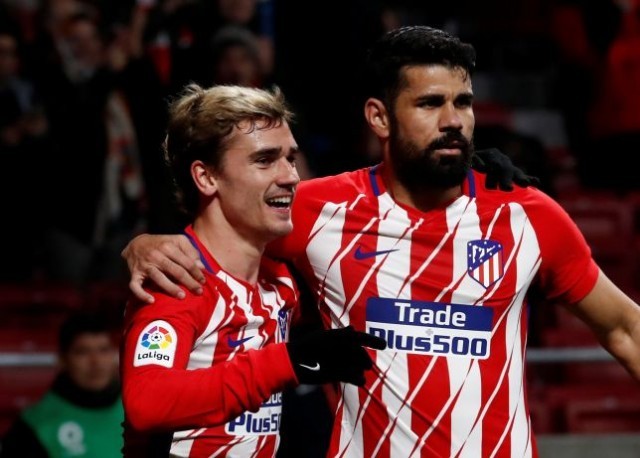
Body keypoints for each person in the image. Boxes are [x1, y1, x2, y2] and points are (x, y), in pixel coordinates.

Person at [120, 25, 640, 457]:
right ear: (379, 117)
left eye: (462, 103)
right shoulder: (313, 211)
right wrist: (142, 244)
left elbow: (625, 327)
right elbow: (224, 229)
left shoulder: (528, 214)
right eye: (430, 103)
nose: (453, 121)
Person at [119, 83, 386, 457]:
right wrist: (287, 362)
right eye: (264, 160)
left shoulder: (280, 283)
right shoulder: (177, 281)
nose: (291, 176)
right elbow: (147, 403)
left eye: (290, 158)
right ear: (206, 177)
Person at [0, 311, 123, 457]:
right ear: (62, 360)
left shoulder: (136, 410)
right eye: (82, 352)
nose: (96, 362)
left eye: (104, 350)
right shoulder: (34, 426)